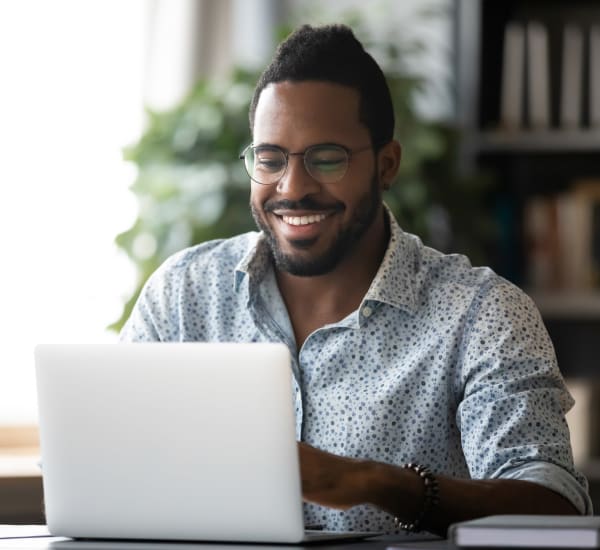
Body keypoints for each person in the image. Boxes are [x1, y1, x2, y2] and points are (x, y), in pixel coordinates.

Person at [120, 24, 592, 535]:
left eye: (327, 159)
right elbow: (108, 461)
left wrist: (376, 483)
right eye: (270, 158)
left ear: (386, 165)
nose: (293, 187)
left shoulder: (481, 314)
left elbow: (554, 508)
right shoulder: (183, 294)